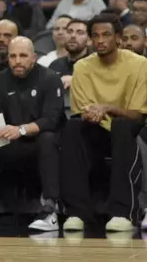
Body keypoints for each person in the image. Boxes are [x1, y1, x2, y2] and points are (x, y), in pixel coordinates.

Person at [61, 14, 147, 232]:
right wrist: (91, 113)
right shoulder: (82, 67)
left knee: (121, 126)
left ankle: (123, 213)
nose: (100, 40)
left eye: (106, 34)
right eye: (95, 35)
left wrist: (108, 108)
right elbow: (83, 111)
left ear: (118, 37)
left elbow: (138, 115)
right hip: (97, 129)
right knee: (72, 127)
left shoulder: (140, 65)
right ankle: (77, 212)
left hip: (128, 130)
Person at [0, 37, 64, 232]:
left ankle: (49, 209)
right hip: (9, 144)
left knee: (47, 138)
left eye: (23, 56)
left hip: (38, 144)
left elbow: (51, 120)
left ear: (34, 57)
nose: (17, 61)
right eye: (13, 56)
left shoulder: (49, 78)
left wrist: (20, 129)